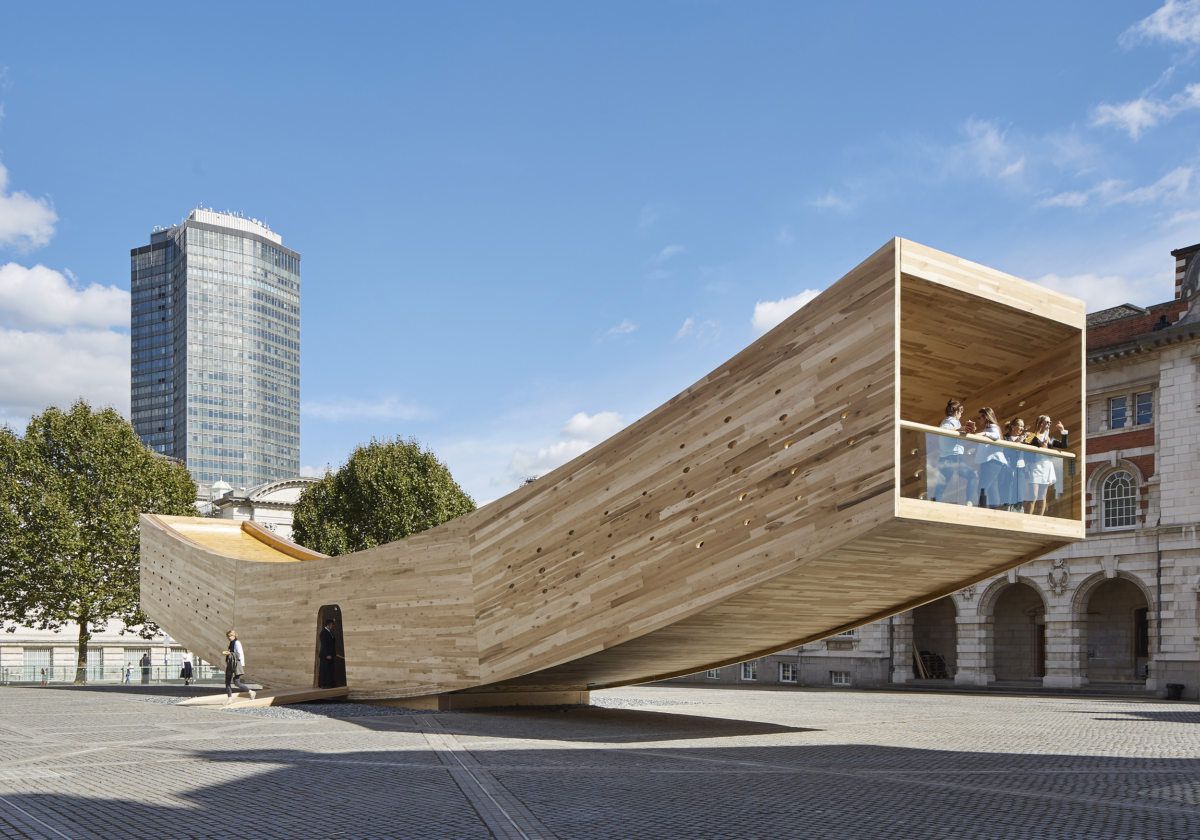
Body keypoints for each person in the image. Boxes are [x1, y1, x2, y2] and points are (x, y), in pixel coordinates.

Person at [928, 399, 977, 505]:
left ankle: (935, 502)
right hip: (953, 456)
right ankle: (969, 501)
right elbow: (945, 431)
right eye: (961, 412)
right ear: (956, 411)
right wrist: (961, 429)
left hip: (947, 457)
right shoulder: (948, 421)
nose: (961, 415)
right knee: (972, 475)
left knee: (942, 483)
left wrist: (965, 430)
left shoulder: (953, 422)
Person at [1026, 414, 1069, 516]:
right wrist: (1040, 446)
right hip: (1035, 467)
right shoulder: (1031, 435)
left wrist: (1062, 430)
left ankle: (1039, 519)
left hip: (1046, 467)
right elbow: (1025, 447)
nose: (1049, 424)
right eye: (1047, 422)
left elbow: (1064, 445)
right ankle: (1028, 517)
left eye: (1050, 422)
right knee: (1033, 496)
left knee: (1042, 496)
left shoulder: (1050, 439)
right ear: (1041, 423)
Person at [973, 407, 1008, 509]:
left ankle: (983, 510)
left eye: (979, 418)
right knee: (992, 489)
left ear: (986, 418)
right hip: (990, 461)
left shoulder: (993, 427)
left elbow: (996, 436)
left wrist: (983, 434)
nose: (978, 420)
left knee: (982, 488)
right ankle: (994, 511)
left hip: (993, 461)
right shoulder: (988, 428)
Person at [1001, 417, 1028, 512]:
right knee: (1008, 490)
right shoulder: (1005, 438)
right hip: (1009, 468)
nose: (1022, 428)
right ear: (1012, 427)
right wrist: (1016, 443)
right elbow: (1005, 452)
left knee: (1020, 492)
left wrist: (1028, 440)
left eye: (1023, 426)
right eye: (1020, 426)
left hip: (1021, 468)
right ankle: (1007, 510)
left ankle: (1018, 511)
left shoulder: (1025, 439)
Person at [224, 629, 256, 701]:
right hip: (230, 663)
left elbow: (239, 654)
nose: (229, 637)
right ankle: (229, 699)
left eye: (230, 636)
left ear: (234, 635)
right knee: (227, 681)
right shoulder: (231, 643)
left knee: (237, 682)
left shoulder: (237, 643)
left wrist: (229, 653)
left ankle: (251, 692)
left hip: (237, 664)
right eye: (228, 636)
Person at [318, 618, 338, 688]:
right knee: (325, 670)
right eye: (332, 624)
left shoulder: (330, 632)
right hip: (325, 655)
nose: (333, 626)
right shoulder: (323, 633)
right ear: (329, 624)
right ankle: (324, 684)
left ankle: (330, 684)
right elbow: (324, 645)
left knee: (330, 669)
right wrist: (327, 654)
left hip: (331, 655)